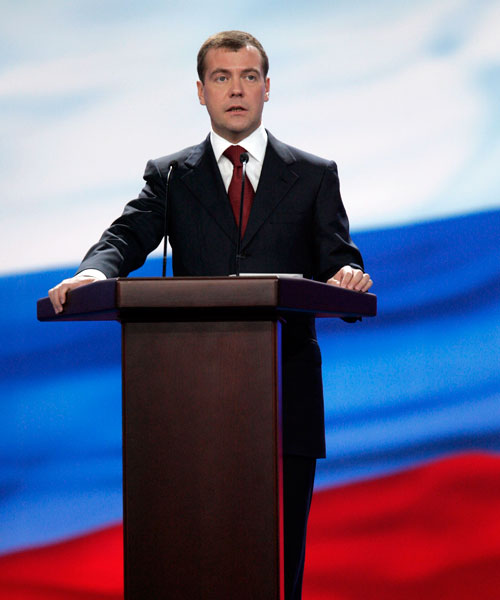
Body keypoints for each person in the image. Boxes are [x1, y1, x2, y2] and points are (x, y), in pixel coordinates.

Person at [48, 30, 373, 600]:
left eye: (249, 77)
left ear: (267, 88)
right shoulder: (172, 175)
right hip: (187, 407)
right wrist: (93, 275)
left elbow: (338, 259)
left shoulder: (315, 174)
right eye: (221, 78)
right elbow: (125, 238)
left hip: (283, 400)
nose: (236, 90)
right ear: (201, 91)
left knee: (278, 567)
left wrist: (347, 274)